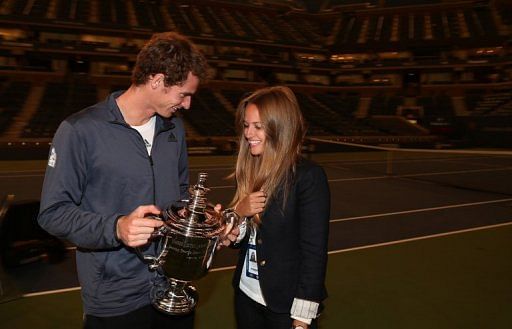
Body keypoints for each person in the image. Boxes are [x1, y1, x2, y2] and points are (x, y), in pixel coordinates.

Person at [37, 32, 209, 329]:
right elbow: (53, 213)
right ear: (157, 80)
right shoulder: (80, 130)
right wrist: (116, 227)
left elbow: (178, 195)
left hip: (171, 286)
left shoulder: (174, 130)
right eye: (184, 94)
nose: (188, 104)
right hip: (114, 296)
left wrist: (196, 217)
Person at [223, 86, 330, 329]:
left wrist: (303, 318)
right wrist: (238, 215)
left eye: (258, 126)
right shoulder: (252, 168)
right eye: (246, 125)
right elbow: (249, 236)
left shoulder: (308, 176)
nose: (248, 133)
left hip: (285, 306)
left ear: (279, 128)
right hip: (245, 296)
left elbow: (314, 252)